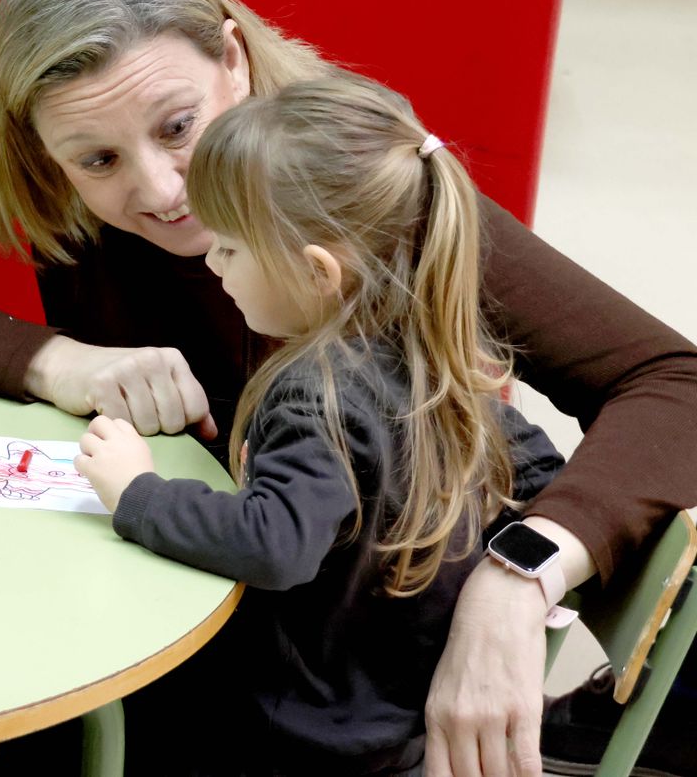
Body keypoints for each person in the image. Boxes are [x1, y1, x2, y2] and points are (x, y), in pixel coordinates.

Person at [0, 0, 697, 776]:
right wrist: (59, 361)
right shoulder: (48, 109)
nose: (163, 191)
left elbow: (673, 381)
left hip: (310, 680)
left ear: (233, 59)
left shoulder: (349, 181)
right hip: (174, 597)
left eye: (177, 126)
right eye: (97, 161)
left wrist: (520, 576)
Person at [76, 74, 563, 774]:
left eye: (232, 249)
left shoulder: (316, 395)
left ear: (315, 271)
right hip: (394, 726)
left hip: (291, 738)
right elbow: (549, 478)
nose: (213, 262)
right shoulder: (437, 367)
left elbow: (274, 544)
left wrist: (137, 492)